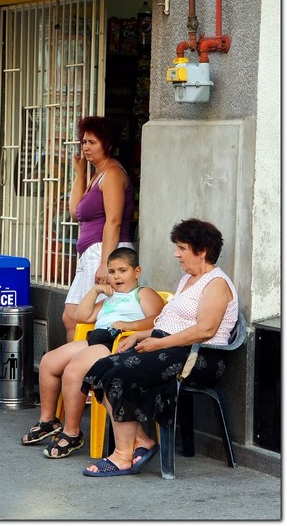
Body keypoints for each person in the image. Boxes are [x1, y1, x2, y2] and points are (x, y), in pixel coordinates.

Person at [78, 218, 239, 477]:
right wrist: (139, 335)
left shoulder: (217, 284)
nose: (177, 254)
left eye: (182, 248)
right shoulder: (188, 280)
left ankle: (123, 456)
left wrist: (159, 343)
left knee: (121, 371)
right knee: (103, 367)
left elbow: (205, 330)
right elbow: (169, 322)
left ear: (203, 251)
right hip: (173, 348)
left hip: (199, 356)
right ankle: (142, 440)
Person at [21, 247, 165, 459]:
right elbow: (82, 316)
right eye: (112, 272)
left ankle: (72, 433)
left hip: (117, 342)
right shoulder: (109, 298)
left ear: (137, 272)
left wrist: (130, 325)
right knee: (49, 361)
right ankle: (48, 420)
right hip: (96, 339)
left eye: (122, 271)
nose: (116, 276)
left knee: (74, 370)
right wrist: (96, 291)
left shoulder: (142, 293)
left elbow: (158, 319)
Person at [62, 116, 135, 342]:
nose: (86, 147)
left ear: (108, 144)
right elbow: (75, 212)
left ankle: (87, 361)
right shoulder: (97, 175)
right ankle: (74, 359)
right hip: (90, 254)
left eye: (92, 142)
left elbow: (114, 221)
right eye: (84, 142)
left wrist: (106, 263)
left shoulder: (112, 173)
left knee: (90, 318)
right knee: (70, 316)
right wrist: (80, 174)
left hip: (105, 251)